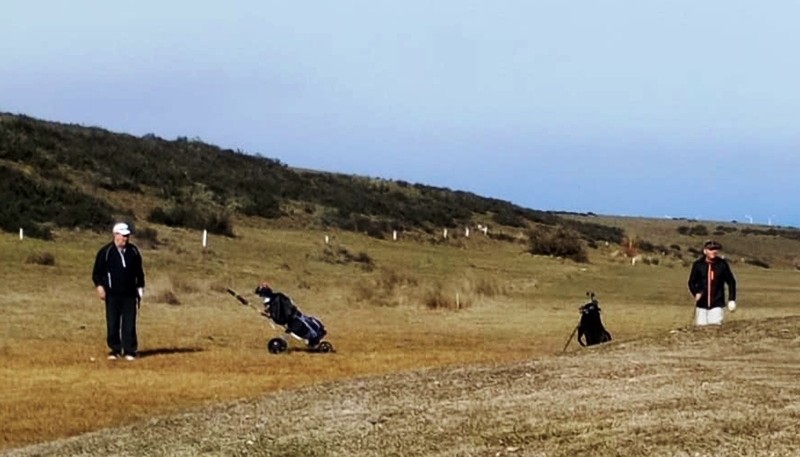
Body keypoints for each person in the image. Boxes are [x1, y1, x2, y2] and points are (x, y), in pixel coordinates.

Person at [92, 222, 145, 360]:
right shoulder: (106, 252)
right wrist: (100, 287)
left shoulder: (133, 251)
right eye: (123, 235)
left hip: (129, 294)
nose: (125, 239)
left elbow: (139, 271)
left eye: (127, 236)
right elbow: (97, 272)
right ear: (115, 235)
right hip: (112, 294)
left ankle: (130, 350)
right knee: (113, 322)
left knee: (129, 323)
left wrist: (140, 287)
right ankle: (115, 349)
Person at [687, 239, 736, 326]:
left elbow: (731, 281)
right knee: (701, 328)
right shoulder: (698, 265)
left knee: (715, 327)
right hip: (702, 304)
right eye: (711, 249)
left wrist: (731, 299)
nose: (713, 251)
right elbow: (691, 282)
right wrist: (696, 293)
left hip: (717, 303)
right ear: (705, 251)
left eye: (715, 249)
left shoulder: (722, 264)